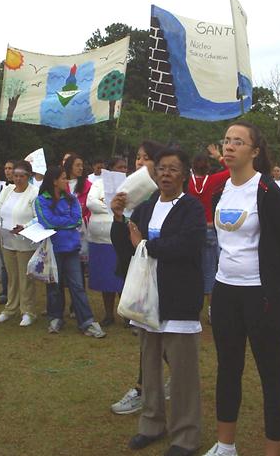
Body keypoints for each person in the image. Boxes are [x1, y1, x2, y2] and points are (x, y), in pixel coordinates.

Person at [206, 121, 280, 456]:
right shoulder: (221, 191)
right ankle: (225, 445)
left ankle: (271, 451)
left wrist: (278, 295)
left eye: (238, 141)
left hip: (260, 295)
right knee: (228, 368)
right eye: (226, 141)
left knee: (270, 374)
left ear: (255, 151)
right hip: (225, 292)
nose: (229, 146)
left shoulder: (267, 192)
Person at [112, 148, 206, 456]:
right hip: (146, 297)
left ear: (183, 175)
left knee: (182, 373)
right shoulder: (146, 206)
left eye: (173, 169)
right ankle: (152, 424)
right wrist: (117, 217)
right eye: (161, 169)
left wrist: (148, 246)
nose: (165, 174)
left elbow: (188, 245)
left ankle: (185, 436)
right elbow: (127, 245)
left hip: (178, 298)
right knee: (149, 368)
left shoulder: (191, 207)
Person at [110, 139, 167, 416]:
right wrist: (119, 216)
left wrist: (141, 242)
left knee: (159, 336)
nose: (139, 163)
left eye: (146, 158)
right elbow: (123, 247)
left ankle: (145, 389)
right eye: (138, 158)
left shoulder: (167, 199)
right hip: (141, 275)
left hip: (164, 278)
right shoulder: (139, 200)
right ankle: (149, 386)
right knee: (150, 335)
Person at [36, 165, 105, 338]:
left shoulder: (71, 199)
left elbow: (76, 220)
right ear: (54, 181)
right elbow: (47, 222)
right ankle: (55, 317)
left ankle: (87, 321)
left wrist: (60, 222)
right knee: (54, 285)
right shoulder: (42, 199)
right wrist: (64, 222)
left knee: (77, 286)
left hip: (72, 248)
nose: (67, 181)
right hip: (54, 248)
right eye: (63, 178)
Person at [0, 160, 39, 325]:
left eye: (21, 176)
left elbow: (38, 217)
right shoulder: (7, 190)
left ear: (28, 176)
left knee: (26, 278)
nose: (17, 179)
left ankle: (28, 311)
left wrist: (24, 226)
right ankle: (10, 308)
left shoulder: (34, 193)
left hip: (25, 241)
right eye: (15, 176)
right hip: (7, 239)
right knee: (12, 277)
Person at [188, 144, 231, 323]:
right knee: (210, 271)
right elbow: (230, 170)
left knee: (191, 271)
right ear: (207, 166)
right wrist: (218, 156)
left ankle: (191, 310)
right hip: (208, 229)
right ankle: (213, 311)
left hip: (190, 230)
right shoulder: (212, 181)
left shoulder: (186, 181)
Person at [87, 156, 128, 326]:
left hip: (119, 240)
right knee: (105, 279)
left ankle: (127, 315)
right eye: (119, 167)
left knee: (122, 279)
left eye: (125, 167)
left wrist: (107, 204)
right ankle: (108, 314)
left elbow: (130, 207)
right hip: (99, 240)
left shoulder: (129, 185)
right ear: (110, 169)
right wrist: (112, 207)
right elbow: (91, 203)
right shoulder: (98, 184)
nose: (123, 170)